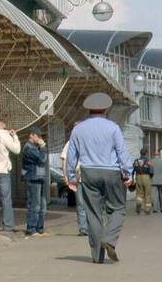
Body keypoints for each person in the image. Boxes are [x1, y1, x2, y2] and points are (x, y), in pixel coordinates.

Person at [65, 93, 131, 263]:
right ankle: (109, 240)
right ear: (106, 109)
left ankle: (96, 256)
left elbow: (72, 155)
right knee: (117, 208)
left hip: (88, 172)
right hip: (111, 172)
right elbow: (121, 152)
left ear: (88, 109)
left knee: (93, 213)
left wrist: (72, 177)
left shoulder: (78, 129)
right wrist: (127, 173)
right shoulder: (113, 127)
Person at [22, 130, 49, 236]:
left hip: (40, 177)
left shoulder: (35, 147)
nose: (40, 139)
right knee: (35, 205)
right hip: (33, 178)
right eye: (38, 136)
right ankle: (31, 228)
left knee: (42, 206)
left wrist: (41, 148)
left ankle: (40, 228)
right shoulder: (29, 147)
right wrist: (42, 147)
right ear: (31, 135)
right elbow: (42, 159)